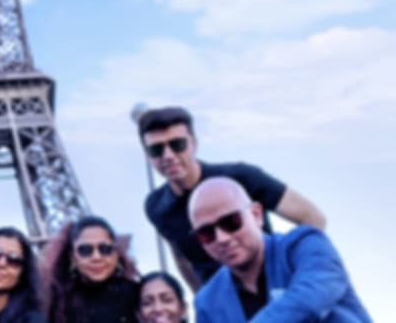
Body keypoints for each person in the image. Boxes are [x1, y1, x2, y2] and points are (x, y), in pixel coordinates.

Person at [138, 106, 327, 290]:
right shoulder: (156, 207)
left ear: (194, 143)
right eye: (156, 150)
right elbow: (181, 258)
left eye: (177, 144)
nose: (168, 155)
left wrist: (299, 275)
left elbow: (312, 217)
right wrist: (203, 298)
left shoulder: (241, 177)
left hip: (275, 290)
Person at [189, 177, 371, 322]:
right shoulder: (207, 303)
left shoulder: (306, 245)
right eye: (206, 233)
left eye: (231, 222)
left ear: (256, 214)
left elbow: (311, 299)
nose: (222, 238)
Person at [41, 215, 140, 323]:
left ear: (116, 254)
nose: (96, 257)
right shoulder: (53, 302)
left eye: (105, 249)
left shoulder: (139, 296)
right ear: (72, 256)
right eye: (85, 250)